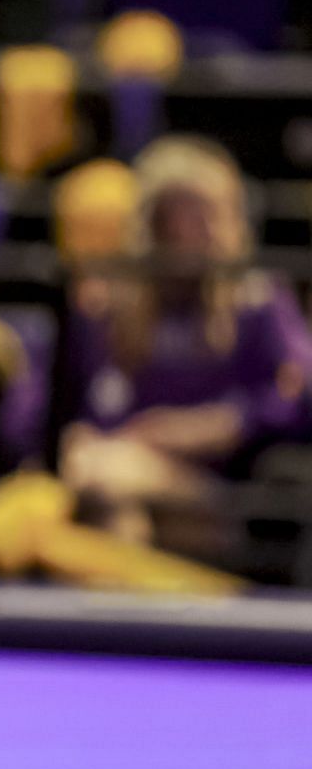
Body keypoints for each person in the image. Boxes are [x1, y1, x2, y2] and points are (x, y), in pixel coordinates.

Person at [57, 136, 312, 560]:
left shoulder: (257, 302)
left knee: (104, 475)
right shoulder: (110, 307)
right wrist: (80, 435)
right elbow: (74, 410)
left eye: (208, 215)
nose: (197, 233)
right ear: (151, 224)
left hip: (221, 497)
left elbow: (297, 397)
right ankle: (131, 622)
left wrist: (207, 428)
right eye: (181, 216)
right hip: (119, 475)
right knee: (115, 505)